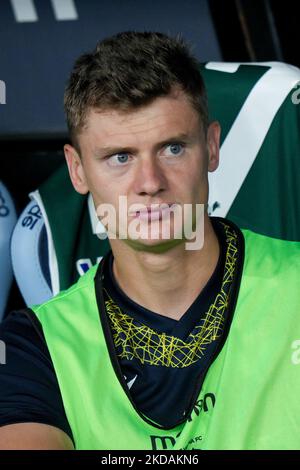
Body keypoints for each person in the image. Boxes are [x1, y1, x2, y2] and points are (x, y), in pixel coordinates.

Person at [0, 31, 300, 451]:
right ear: (77, 170)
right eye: (120, 157)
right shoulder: (34, 345)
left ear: (212, 147)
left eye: (173, 149)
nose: (150, 183)